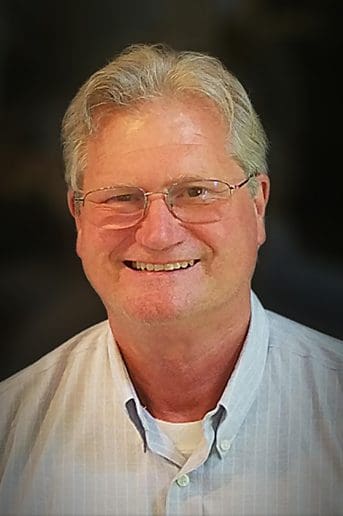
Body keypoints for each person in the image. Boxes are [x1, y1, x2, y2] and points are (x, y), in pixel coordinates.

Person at [0, 43, 342, 516]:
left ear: (258, 205)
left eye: (196, 191)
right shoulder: (10, 430)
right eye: (121, 197)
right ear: (78, 219)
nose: (158, 233)